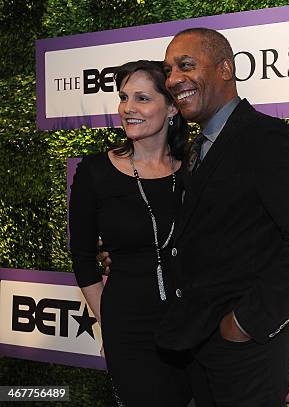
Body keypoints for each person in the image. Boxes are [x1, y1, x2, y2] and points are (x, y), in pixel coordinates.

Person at [157, 27, 289, 406]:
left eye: (185, 65)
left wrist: (244, 323)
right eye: (169, 71)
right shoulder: (200, 145)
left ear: (225, 69)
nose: (173, 79)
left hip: (247, 351)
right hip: (199, 341)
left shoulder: (264, 138)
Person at [69, 60, 193, 406]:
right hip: (129, 328)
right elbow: (81, 256)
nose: (128, 109)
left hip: (193, 324)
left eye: (142, 98)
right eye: (124, 98)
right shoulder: (95, 172)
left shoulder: (195, 170)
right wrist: (106, 321)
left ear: (171, 107)